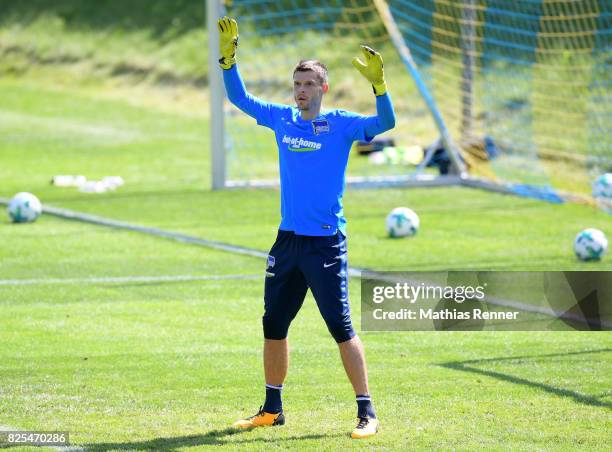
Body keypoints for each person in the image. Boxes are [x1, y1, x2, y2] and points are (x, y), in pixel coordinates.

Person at [217, 16, 395, 439]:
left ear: (323, 89)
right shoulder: (282, 120)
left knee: (341, 327)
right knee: (273, 325)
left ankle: (367, 413)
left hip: (325, 245)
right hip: (288, 242)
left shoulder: (342, 124)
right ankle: (272, 408)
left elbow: (385, 124)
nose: (301, 90)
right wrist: (228, 62)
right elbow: (240, 98)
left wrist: (380, 87)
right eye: (297, 83)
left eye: (309, 84)